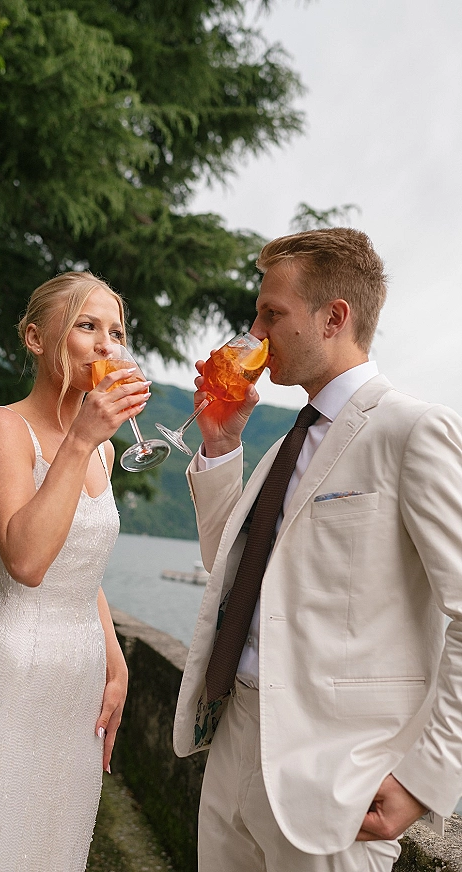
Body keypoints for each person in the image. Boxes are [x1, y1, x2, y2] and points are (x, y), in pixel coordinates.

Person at [173, 228, 462, 872]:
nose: (255, 330)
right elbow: (232, 573)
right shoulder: (285, 445)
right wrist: (221, 444)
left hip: (334, 782)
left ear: (334, 318)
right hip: (233, 744)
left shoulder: (412, 430)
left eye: (271, 313)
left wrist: (425, 778)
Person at [0, 271, 150, 872]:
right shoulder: (4, 429)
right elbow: (26, 560)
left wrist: (116, 661)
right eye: (87, 325)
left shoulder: (103, 448)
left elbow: (81, 567)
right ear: (34, 337)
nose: (108, 345)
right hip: (5, 678)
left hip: (77, 689)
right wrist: (78, 442)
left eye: (117, 332)